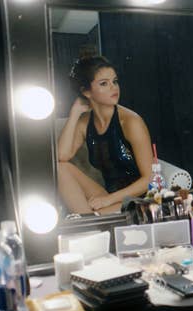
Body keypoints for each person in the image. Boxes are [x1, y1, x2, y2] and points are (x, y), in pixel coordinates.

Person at [57, 56, 153, 214]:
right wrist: (74, 114)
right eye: (104, 83)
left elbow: (149, 180)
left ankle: (89, 220)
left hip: (141, 199)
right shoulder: (84, 123)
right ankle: (89, 219)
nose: (114, 88)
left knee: (95, 216)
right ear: (86, 91)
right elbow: (62, 157)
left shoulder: (130, 122)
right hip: (111, 196)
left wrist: (108, 200)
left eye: (114, 81)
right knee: (60, 167)